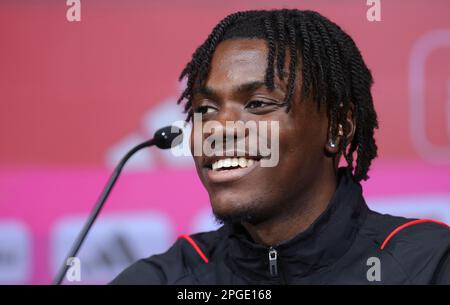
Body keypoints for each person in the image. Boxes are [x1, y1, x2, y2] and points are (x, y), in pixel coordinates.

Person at [111, 9, 450, 284]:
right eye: (204, 110)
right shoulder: (164, 277)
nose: (218, 128)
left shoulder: (430, 263)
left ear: (338, 126)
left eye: (258, 104)